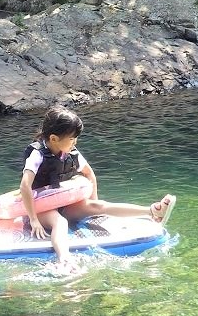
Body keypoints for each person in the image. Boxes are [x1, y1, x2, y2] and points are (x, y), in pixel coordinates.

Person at [20, 105, 176, 266]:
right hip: (39, 208)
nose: (75, 142)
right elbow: (25, 186)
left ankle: (153, 212)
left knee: (98, 206)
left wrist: (92, 204)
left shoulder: (71, 153)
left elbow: (89, 173)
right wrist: (33, 220)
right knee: (60, 223)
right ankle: (64, 259)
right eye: (72, 139)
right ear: (53, 139)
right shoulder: (37, 154)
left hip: (61, 204)